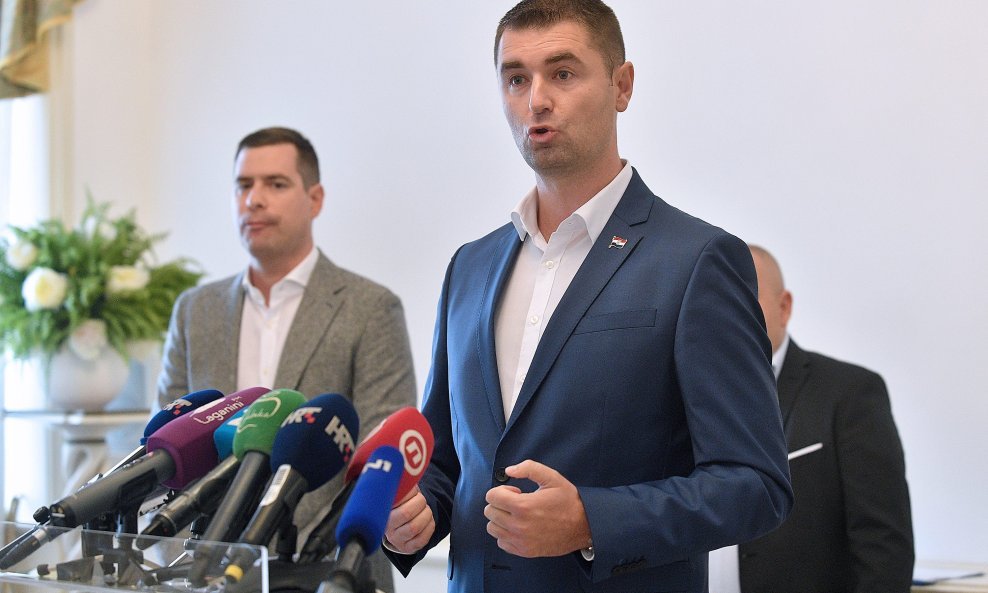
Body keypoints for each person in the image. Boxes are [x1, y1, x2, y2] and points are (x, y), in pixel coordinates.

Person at [383, 2, 793, 591]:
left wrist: (591, 522)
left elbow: (756, 485)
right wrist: (416, 514)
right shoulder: (469, 268)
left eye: (563, 73)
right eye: (515, 79)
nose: (536, 100)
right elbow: (448, 460)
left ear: (622, 86)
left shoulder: (697, 260)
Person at [157, 126, 416, 592]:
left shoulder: (371, 308)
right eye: (243, 185)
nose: (253, 200)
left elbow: (381, 454)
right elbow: (169, 450)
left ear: (314, 199)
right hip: (207, 567)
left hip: (329, 566)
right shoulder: (195, 311)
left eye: (275, 184)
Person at [708, 245, 914, 593]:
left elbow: (883, 547)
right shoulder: (678, 396)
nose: (727, 314)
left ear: (784, 307)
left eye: (743, 297)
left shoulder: (849, 394)